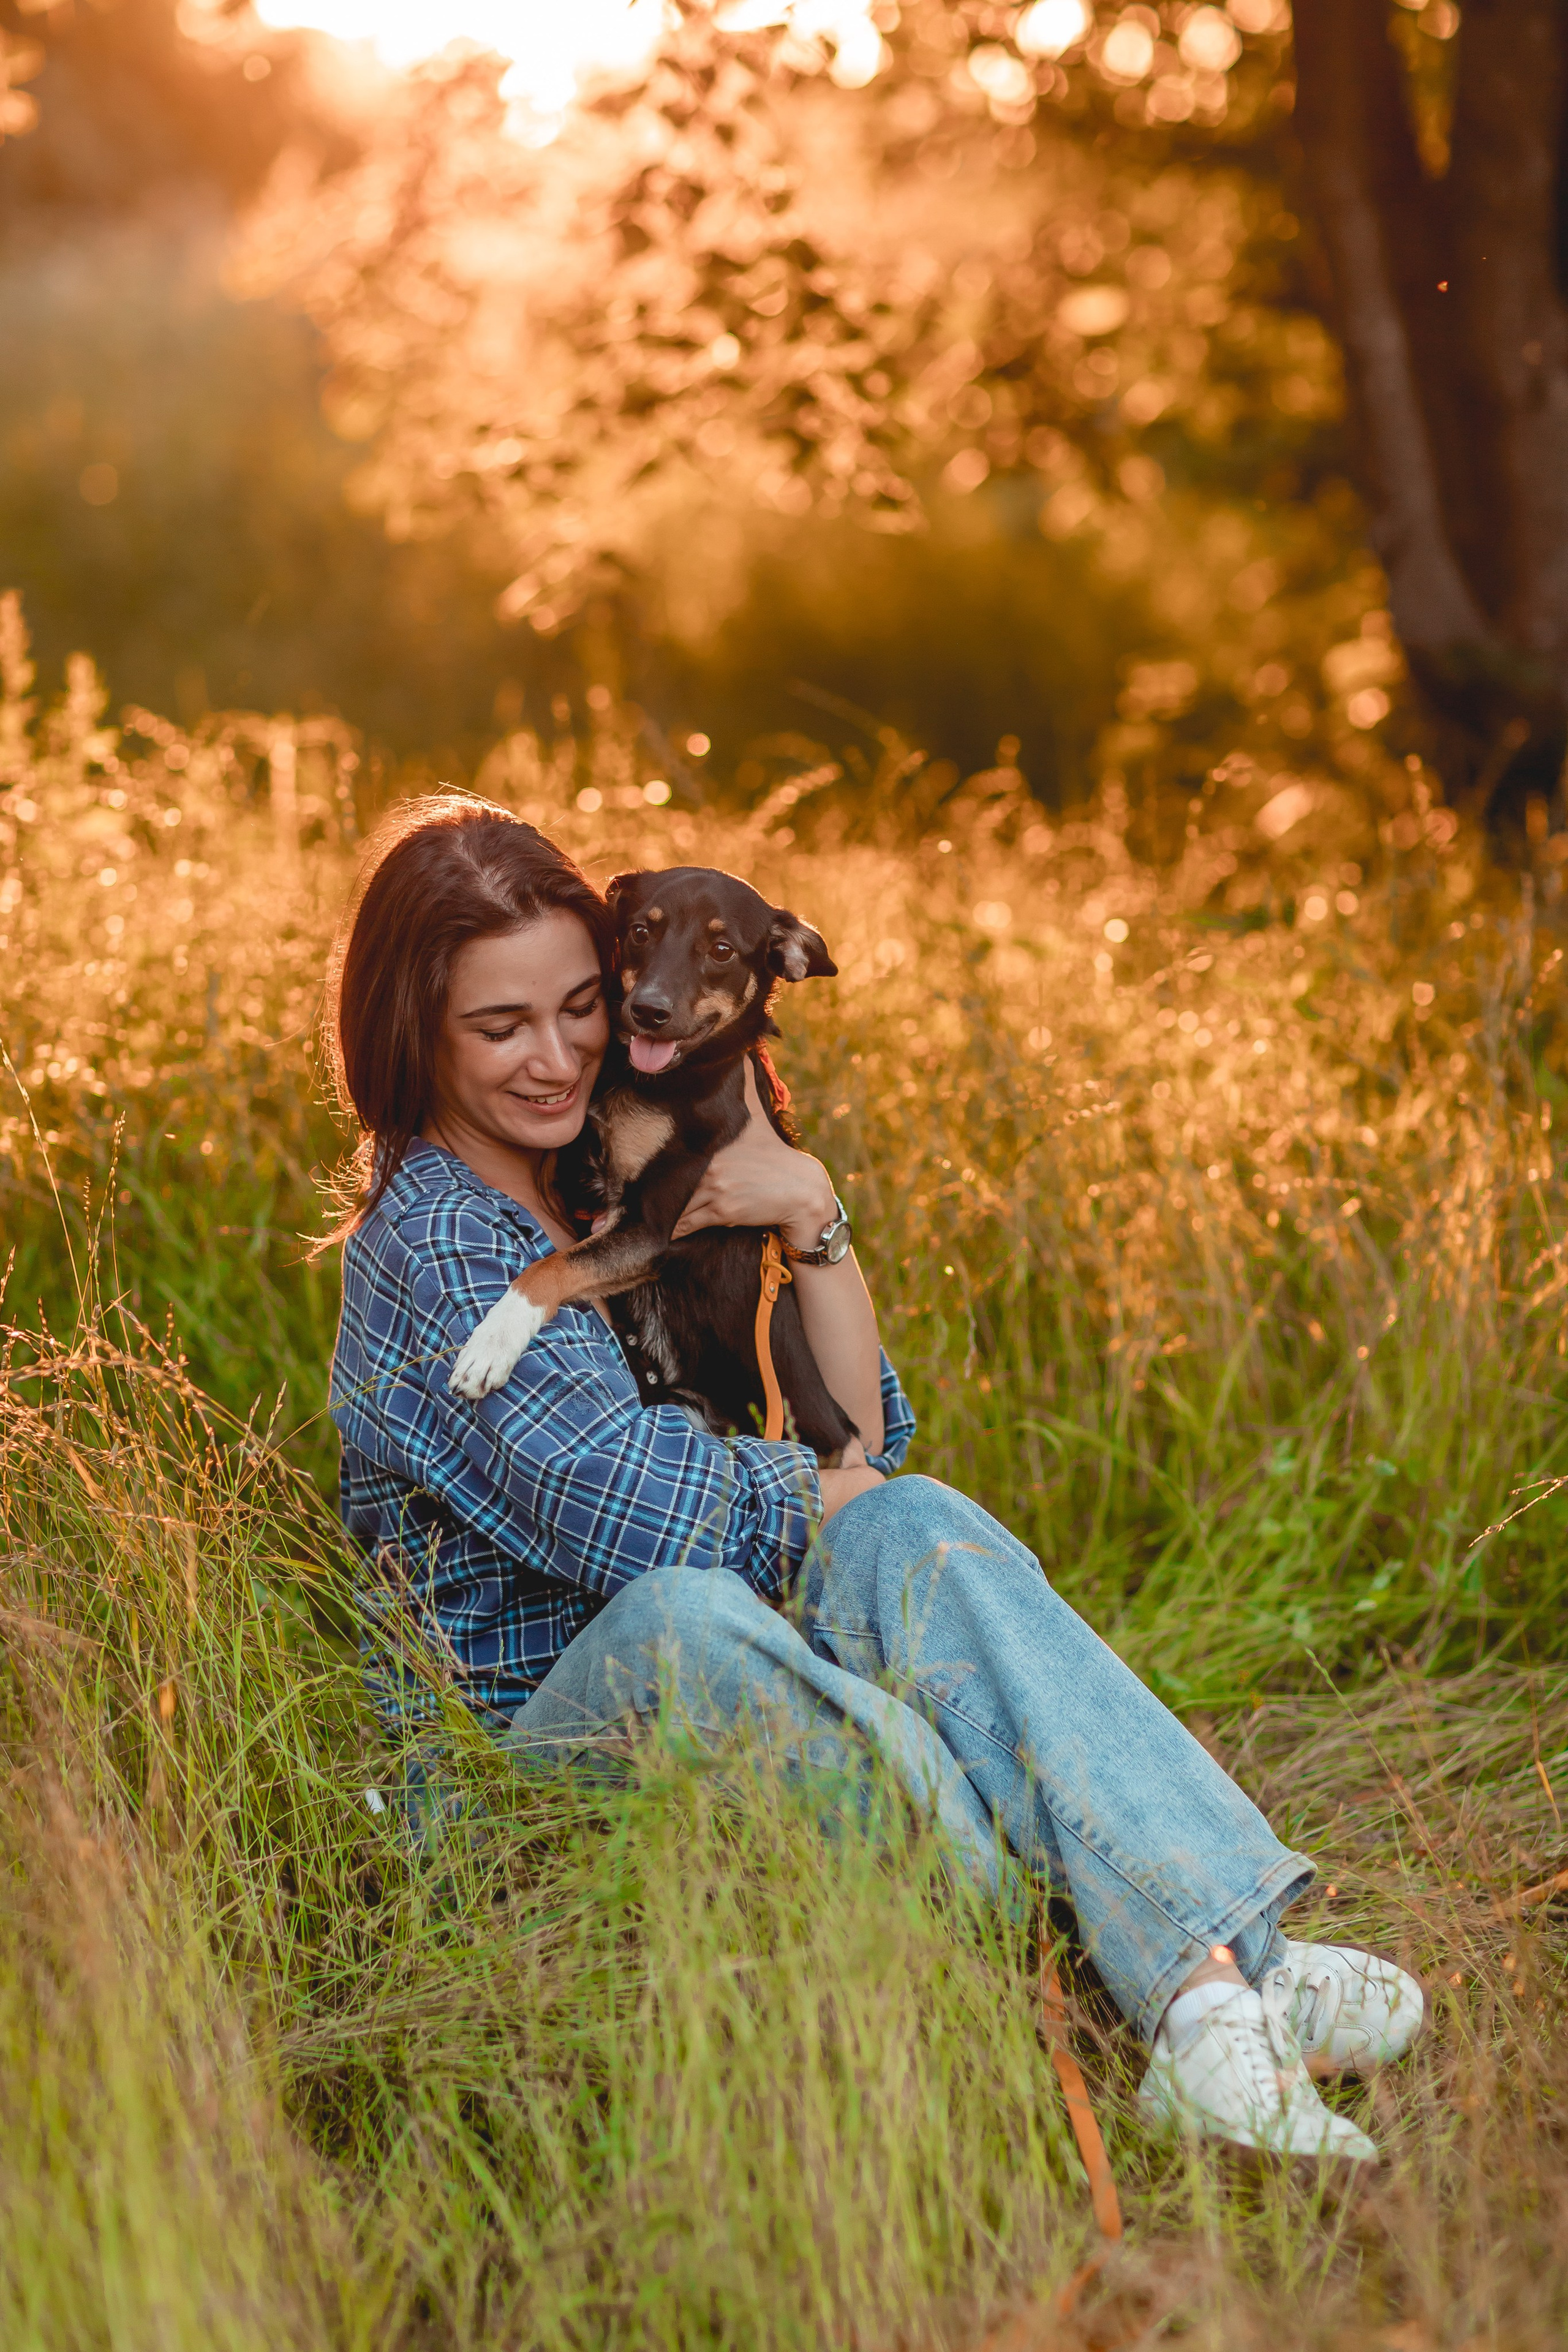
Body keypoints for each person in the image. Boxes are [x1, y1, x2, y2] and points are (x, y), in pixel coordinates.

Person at [326, 796, 1423, 2166]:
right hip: (518, 1759)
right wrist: (813, 1495)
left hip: (712, 1631)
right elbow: (640, 1517)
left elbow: (868, 1445)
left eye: (579, 1008)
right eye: (500, 1029)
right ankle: (1175, 1962)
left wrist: (810, 1214)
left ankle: (1205, 1996)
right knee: (690, 1618)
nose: (556, 1058)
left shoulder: (610, 1162)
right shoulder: (440, 1242)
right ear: (411, 1030)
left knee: (904, 1520)